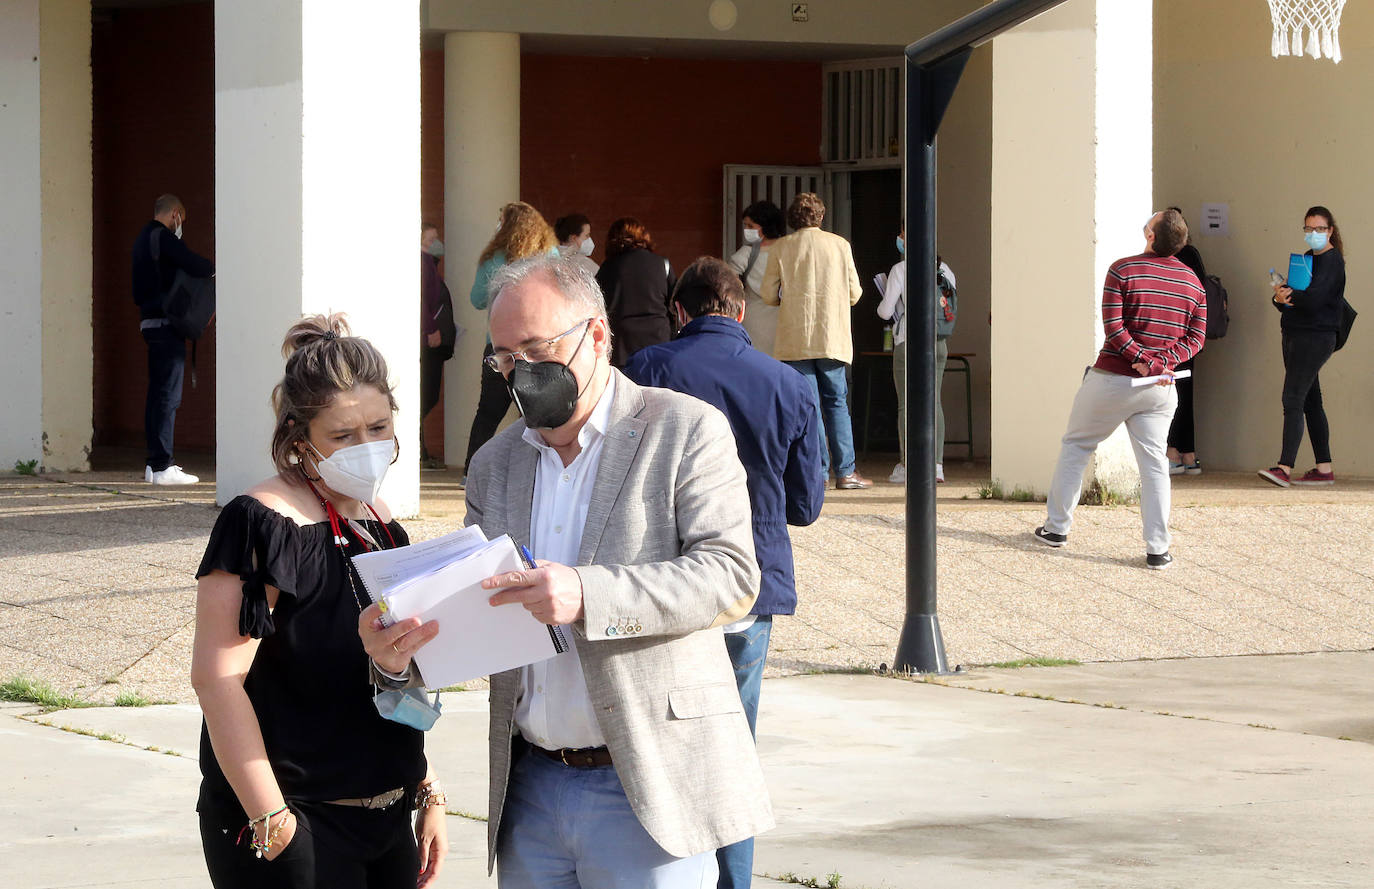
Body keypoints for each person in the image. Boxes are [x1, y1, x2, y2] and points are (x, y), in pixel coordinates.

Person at [422, 254, 772, 887]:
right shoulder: (494, 464)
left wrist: (588, 594)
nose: (521, 371)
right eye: (505, 357)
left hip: (646, 786)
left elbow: (729, 576)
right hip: (529, 789)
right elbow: (482, 607)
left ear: (599, 334)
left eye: (536, 347)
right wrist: (413, 634)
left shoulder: (686, 430)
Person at [191, 314, 447, 888]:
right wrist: (272, 820)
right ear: (300, 439)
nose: (368, 448)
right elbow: (216, 678)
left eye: (380, 428)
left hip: (386, 817)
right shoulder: (260, 523)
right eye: (344, 436)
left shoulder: (383, 528)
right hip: (295, 823)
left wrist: (427, 788)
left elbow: (397, 673)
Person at [624, 256, 824, 889]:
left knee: (648, 745)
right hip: (750, 584)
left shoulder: (649, 370)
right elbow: (806, 504)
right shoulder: (789, 384)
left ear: (679, 311)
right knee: (733, 747)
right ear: (739, 312)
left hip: (662, 580)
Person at [1033, 209, 1206, 570]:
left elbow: (1114, 326)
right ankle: (1158, 549)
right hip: (1161, 386)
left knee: (1077, 445)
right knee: (1155, 465)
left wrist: (1140, 357)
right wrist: (1161, 362)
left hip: (1113, 378)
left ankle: (1056, 529)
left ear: (1151, 235)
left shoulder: (1122, 269)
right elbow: (1197, 338)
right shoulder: (1193, 283)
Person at [760, 192, 871, 489]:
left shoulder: (781, 248)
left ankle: (817, 472)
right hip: (831, 335)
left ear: (793, 219)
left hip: (795, 339)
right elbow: (855, 293)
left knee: (808, 407)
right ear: (821, 216)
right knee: (836, 403)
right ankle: (846, 471)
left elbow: (768, 294)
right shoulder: (839, 245)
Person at [462, 201, 559, 486]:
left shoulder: (493, 258)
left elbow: (477, 299)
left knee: (488, 411)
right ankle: (541, 470)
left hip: (499, 346)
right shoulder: (548, 254)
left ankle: (470, 472)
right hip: (538, 348)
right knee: (536, 410)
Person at [1260, 205, 1347, 487]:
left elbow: (1314, 300)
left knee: (1293, 398)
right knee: (1310, 400)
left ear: (1330, 230)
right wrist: (1280, 298)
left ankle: (1284, 467)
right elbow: (1293, 304)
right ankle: (1324, 468)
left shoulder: (1333, 261)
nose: (1313, 234)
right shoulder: (1306, 259)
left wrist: (1291, 296)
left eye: (1319, 229)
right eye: (1308, 229)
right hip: (1297, 333)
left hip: (1315, 337)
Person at [131, 193, 214, 485]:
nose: (181, 226)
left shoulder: (142, 239)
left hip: (150, 324)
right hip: (167, 326)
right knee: (168, 395)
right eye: (182, 220)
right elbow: (194, 264)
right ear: (175, 214)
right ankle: (162, 465)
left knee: (157, 395)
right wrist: (219, 270)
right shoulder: (162, 237)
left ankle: (154, 466)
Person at [877, 225, 958, 485]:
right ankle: (936, 465)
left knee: (906, 403)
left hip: (908, 342)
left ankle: (907, 464)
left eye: (902, 234)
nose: (899, 238)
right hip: (939, 343)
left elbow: (884, 311)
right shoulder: (946, 271)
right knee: (934, 401)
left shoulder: (901, 270)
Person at [595, 217, 675, 367]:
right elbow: (674, 304)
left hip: (621, 349)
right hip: (659, 345)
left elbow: (599, 306)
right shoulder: (662, 264)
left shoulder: (607, 268)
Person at [1165, 207, 1206, 476]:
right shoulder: (1194, 256)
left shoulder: (1179, 258)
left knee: (1173, 393)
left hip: (1176, 336)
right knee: (1185, 393)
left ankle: (1173, 453)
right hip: (1191, 337)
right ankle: (1188, 454)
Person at [726, 200, 786, 355]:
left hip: (753, 320)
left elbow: (727, 282)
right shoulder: (790, 250)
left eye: (751, 226)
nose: (746, 230)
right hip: (785, 322)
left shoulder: (746, 253)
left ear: (766, 225)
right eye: (745, 225)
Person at [420, 222, 457, 469]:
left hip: (431, 339)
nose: (437, 242)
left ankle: (420, 449)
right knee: (426, 394)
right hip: (427, 340)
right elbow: (422, 299)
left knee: (428, 395)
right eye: (432, 238)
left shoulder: (428, 264)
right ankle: (418, 449)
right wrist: (431, 329)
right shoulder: (422, 264)